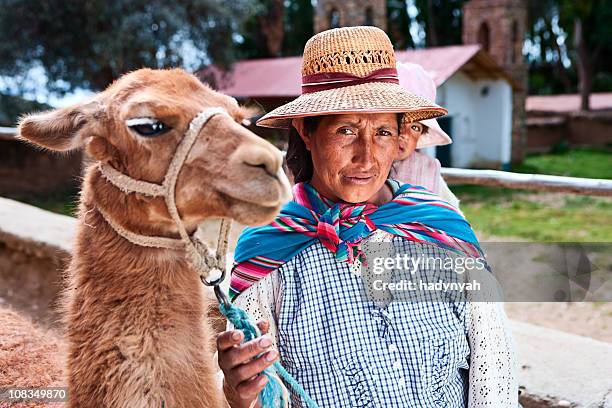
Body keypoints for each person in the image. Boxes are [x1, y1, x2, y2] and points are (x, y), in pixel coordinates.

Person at [216, 26, 518, 408]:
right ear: (306, 132)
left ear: (401, 137)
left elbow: (495, 368)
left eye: (383, 133)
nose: (367, 157)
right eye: (346, 130)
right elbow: (260, 390)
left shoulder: (440, 229)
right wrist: (239, 395)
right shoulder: (268, 252)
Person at [391, 61, 462, 210]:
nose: (404, 134)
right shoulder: (361, 165)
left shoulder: (427, 170)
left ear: (421, 135)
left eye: (415, 127)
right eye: (398, 122)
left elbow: (451, 214)